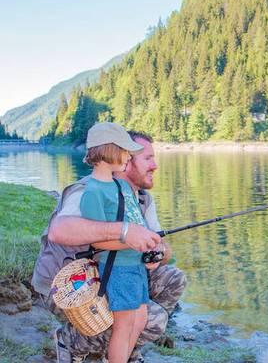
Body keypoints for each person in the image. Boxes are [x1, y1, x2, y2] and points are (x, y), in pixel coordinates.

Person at [32, 126, 187, 363]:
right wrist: (124, 231)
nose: (154, 165)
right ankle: (72, 341)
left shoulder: (142, 198)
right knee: (151, 319)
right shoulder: (86, 190)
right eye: (147, 158)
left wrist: (159, 251)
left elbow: (163, 247)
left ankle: (126, 350)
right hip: (67, 285)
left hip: (118, 270)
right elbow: (58, 231)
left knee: (173, 279)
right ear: (124, 159)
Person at [80, 122, 150, 363]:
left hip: (136, 265)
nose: (129, 156)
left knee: (139, 320)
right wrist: (131, 242)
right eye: (125, 150)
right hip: (119, 269)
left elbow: (134, 219)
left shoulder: (120, 184)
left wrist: (149, 240)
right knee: (124, 326)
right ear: (110, 150)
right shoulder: (93, 191)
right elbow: (97, 240)